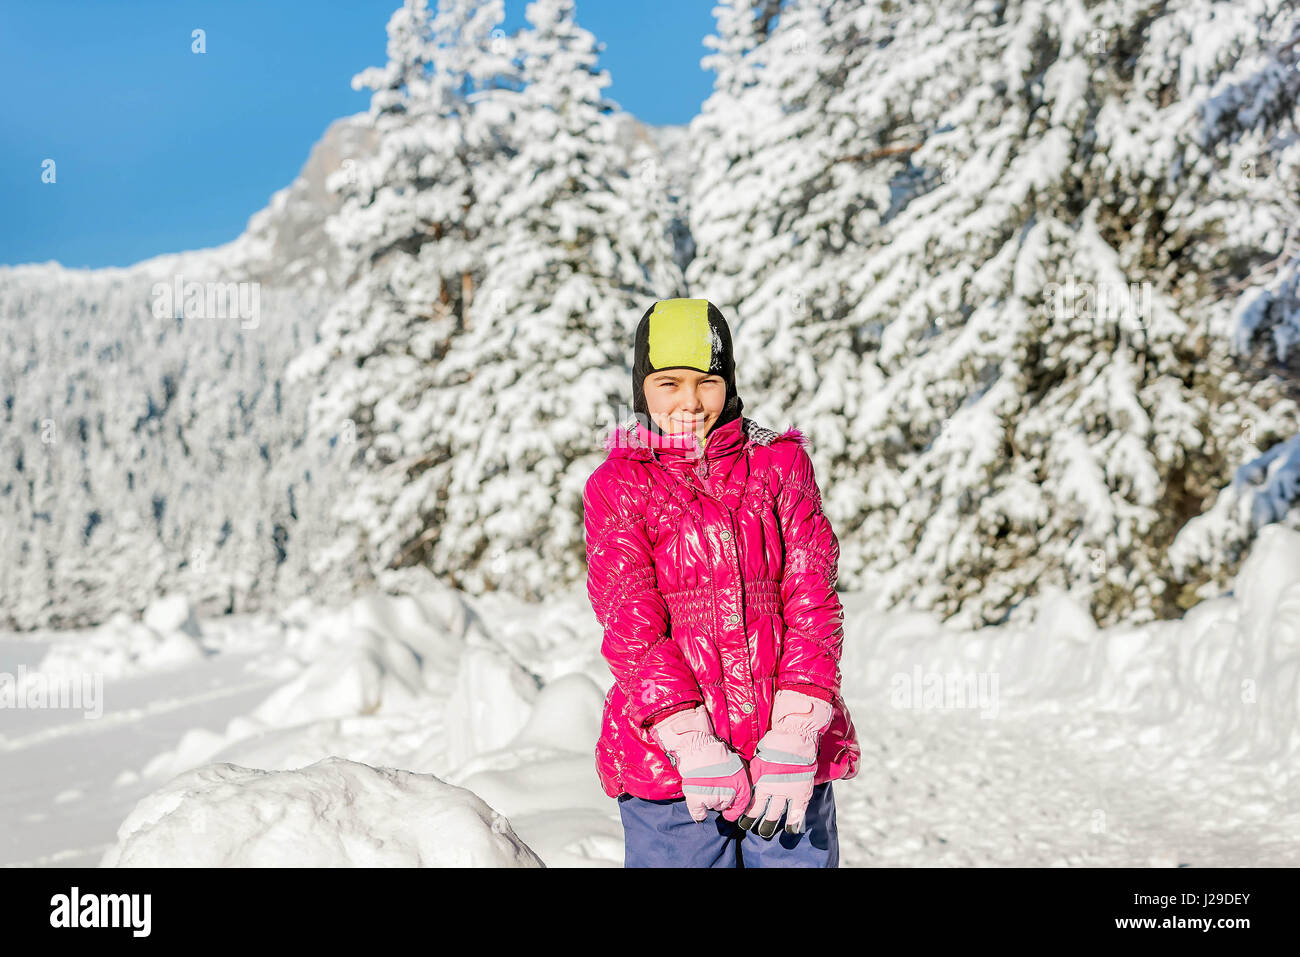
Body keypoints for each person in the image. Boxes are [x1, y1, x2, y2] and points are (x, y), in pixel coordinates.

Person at [583, 297, 860, 868]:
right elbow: (631, 623)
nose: (689, 402)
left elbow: (814, 598)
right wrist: (691, 739)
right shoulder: (619, 485)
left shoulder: (778, 468)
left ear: (728, 382)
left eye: (707, 382)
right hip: (670, 765)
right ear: (642, 389)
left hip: (782, 762)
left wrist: (797, 727)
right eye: (668, 383)